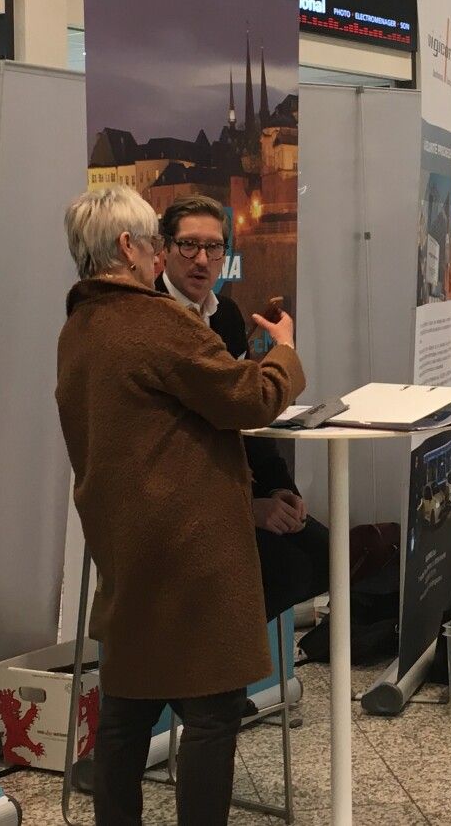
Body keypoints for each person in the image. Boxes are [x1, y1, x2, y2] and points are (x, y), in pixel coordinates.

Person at [55, 186, 305, 826]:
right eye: (160, 244)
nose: (167, 256)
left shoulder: (78, 328)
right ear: (128, 246)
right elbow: (250, 398)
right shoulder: (156, 321)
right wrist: (284, 352)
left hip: (126, 543)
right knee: (213, 714)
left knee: (127, 713)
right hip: (191, 547)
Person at [157, 193, 329, 621]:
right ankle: (208, 658)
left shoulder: (226, 315)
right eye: (189, 245)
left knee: (326, 556)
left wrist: (279, 490)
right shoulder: (152, 317)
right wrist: (247, 510)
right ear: (164, 248)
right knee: (287, 572)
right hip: (182, 507)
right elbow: (176, 448)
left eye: (214, 247)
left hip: (233, 487)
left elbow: (246, 417)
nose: (202, 260)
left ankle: (224, 654)